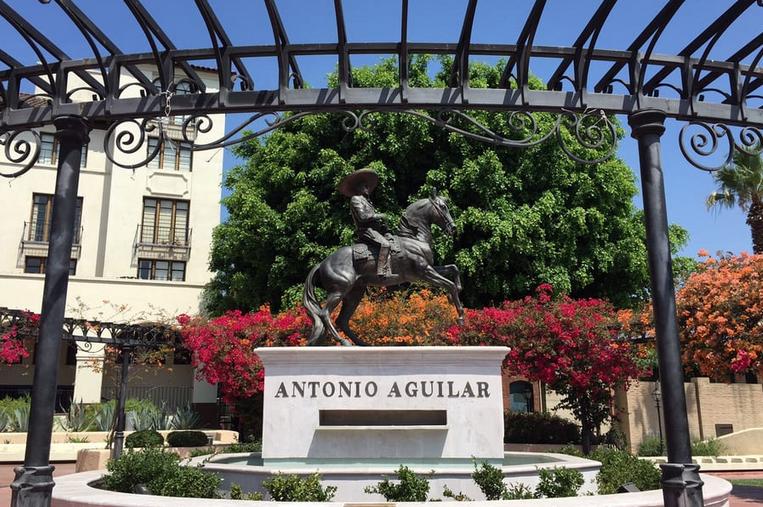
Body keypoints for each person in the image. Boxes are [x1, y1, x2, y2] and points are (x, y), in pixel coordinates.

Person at [338, 167, 391, 277]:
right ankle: (382, 272)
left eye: (368, 186)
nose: (367, 188)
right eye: (365, 186)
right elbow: (363, 217)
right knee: (385, 244)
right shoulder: (356, 199)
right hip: (366, 231)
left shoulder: (366, 201)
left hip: (375, 230)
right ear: (358, 188)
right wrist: (380, 215)